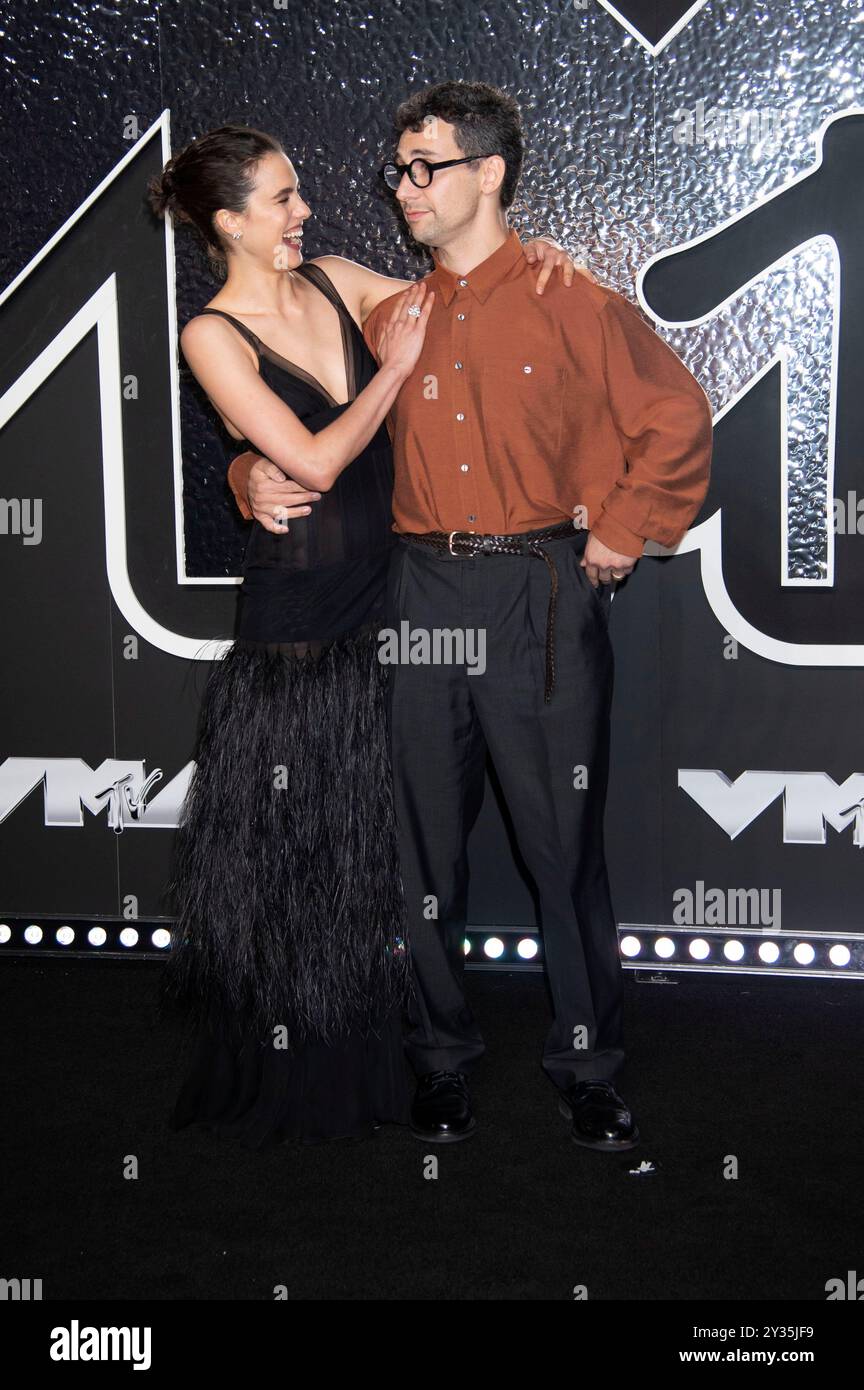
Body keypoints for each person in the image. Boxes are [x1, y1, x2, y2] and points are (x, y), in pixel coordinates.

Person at [228, 82, 714, 1152]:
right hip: (418, 597)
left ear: (488, 174)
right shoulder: (389, 313)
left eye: (425, 168)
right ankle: (440, 1062)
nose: (402, 188)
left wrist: (625, 529)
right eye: (398, 170)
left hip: (537, 591)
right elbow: (304, 413)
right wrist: (245, 471)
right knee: (420, 857)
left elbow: (676, 414)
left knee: (562, 849)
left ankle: (588, 1066)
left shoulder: (569, 296)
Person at [150, 123, 584, 1150]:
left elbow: (458, 301)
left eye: (300, 194)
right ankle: (297, 1074)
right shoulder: (209, 333)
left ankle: (374, 1045)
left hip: (387, 612)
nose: (305, 212)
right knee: (292, 858)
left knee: (368, 855)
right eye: (282, 199)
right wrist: (373, 389)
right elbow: (309, 455)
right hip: (294, 633)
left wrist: (537, 262)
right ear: (227, 223)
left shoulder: (343, 280)